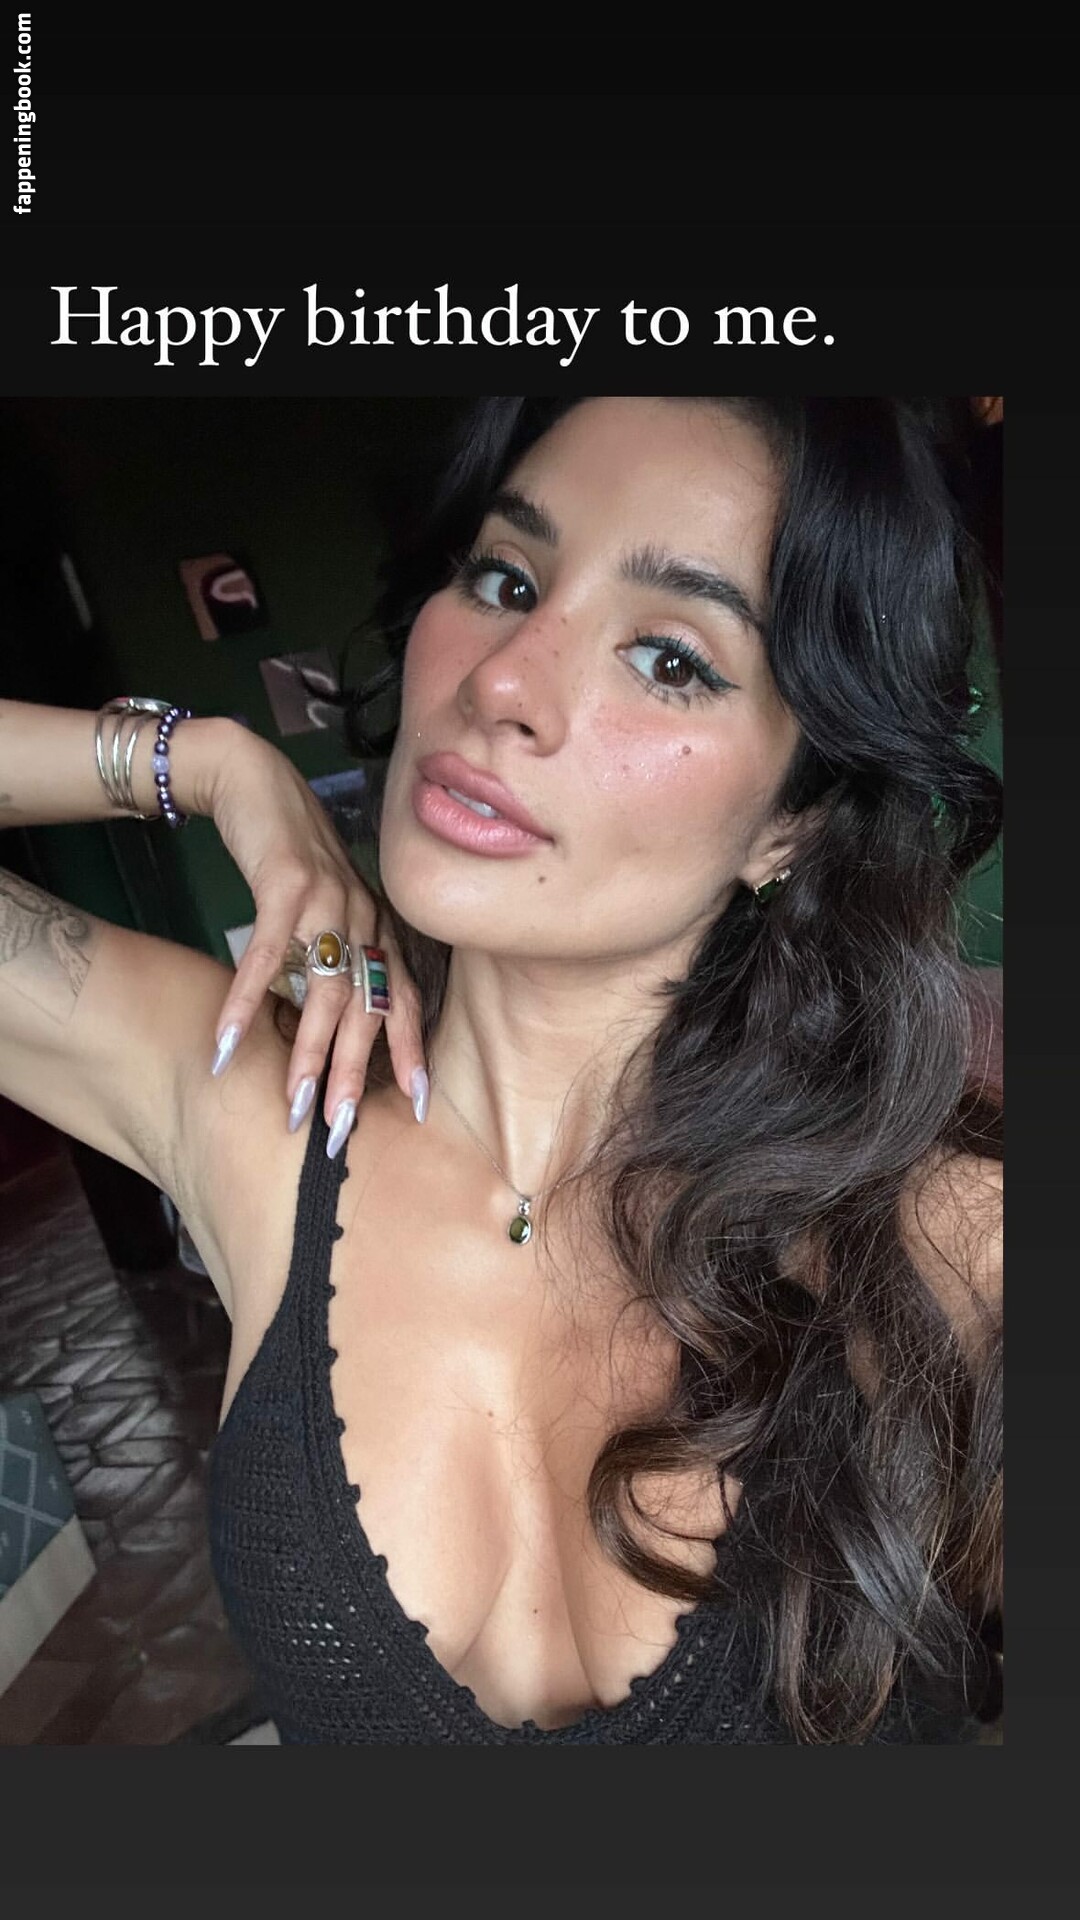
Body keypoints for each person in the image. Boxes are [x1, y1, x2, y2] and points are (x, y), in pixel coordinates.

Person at [0, 395, 1002, 1744]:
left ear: (796, 825)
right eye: (506, 580)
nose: (503, 683)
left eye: (670, 659)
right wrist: (210, 763)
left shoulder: (943, 1239)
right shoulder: (247, 1100)